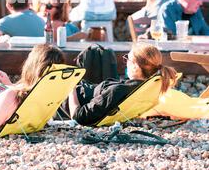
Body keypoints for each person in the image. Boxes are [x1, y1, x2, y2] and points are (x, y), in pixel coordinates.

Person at [67, 43, 209, 125]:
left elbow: (79, 116)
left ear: (135, 66)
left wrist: (70, 88)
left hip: (74, 99)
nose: (125, 62)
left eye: (127, 59)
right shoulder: (150, 86)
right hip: (95, 95)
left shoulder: (117, 91)